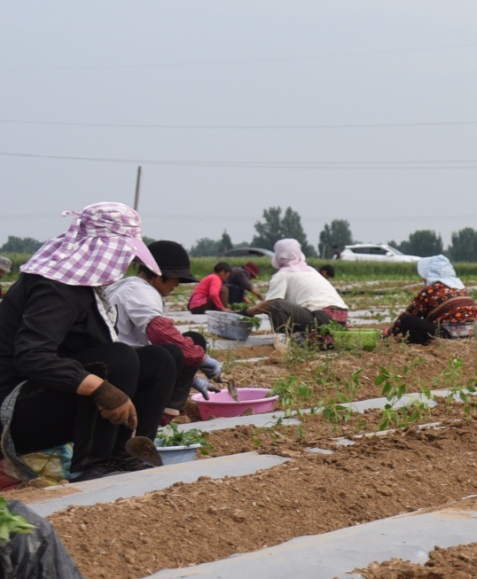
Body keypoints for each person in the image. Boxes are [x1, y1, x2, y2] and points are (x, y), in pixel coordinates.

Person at [0, 204, 172, 481]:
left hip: (46, 397)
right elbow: (32, 357)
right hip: (14, 410)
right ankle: (91, 465)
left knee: (160, 359)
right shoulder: (55, 287)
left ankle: (126, 455)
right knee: (116, 359)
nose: (126, 262)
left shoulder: (83, 287)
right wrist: (100, 388)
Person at [103, 241, 222, 416]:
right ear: (159, 275)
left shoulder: (126, 285)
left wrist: (191, 378)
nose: (177, 285)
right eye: (176, 279)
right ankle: (162, 414)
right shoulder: (141, 291)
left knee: (180, 345)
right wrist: (201, 358)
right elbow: (160, 332)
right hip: (123, 368)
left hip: (119, 360)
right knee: (187, 344)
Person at [243, 239, 349, 337]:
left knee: (275, 305)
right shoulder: (311, 270)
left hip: (321, 317)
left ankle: (285, 339)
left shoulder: (282, 275)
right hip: (341, 318)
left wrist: (247, 312)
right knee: (283, 307)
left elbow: (270, 303)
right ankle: (304, 335)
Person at [385, 256, 477, 344]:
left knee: (407, 321)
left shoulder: (431, 290)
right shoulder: (460, 288)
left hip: (450, 335)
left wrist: (390, 331)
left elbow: (410, 315)